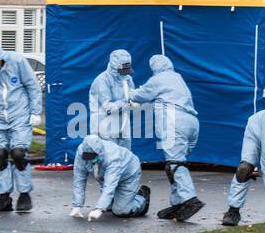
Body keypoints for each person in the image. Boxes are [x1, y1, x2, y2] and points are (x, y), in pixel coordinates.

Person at [128, 53, 203, 221]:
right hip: (192, 122)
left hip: (174, 121)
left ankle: (190, 199)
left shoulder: (159, 79)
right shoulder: (178, 78)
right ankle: (178, 203)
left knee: (175, 163)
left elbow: (139, 96)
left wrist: (126, 91)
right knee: (175, 163)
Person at [0, 42, 42, 213]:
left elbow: (32, 85)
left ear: (1, 60)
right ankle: (4, 198)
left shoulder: (17, 61)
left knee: (18, 153)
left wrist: (36, 111)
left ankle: (24, 194)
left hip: (19, 115)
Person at [69, 134, 150, 220]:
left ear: (99, 152)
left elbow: (110, 185)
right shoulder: (82, 151)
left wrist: (99, 208)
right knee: (108, 206)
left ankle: (142, 198)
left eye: (92, 156)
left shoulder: (112, 157)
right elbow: (79, 178)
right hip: (105, 175)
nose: (89, 158)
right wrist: (77, 205)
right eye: (87, 156)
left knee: (121, 211)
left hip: (129, 174)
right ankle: (118, 199)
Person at [89, 49, 134, 150]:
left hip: (123, 121)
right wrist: (127, 104)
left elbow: (131, 96)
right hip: (104, 122)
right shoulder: (102, 80)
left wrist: (136, 99)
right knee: (110, 154)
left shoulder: (127, 78)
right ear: (115, 67)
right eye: (123, 71)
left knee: (126, 152)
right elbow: (107, 107)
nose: (125, 73)